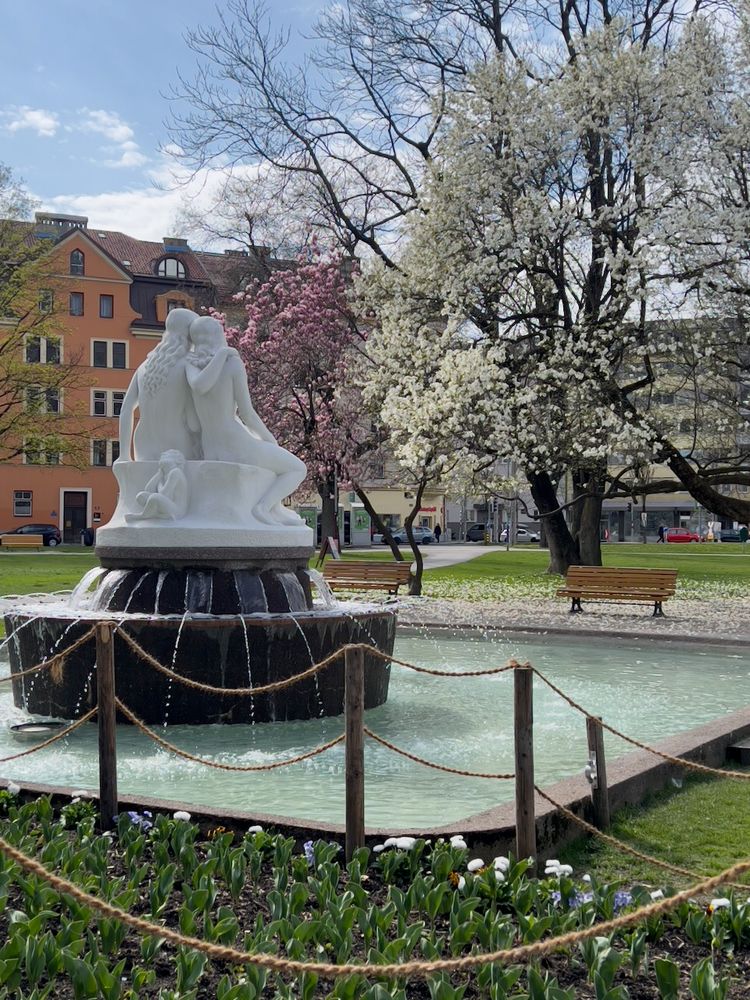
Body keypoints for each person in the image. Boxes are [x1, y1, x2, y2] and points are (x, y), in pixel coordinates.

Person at [186, 316, 306, 525]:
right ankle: (263, 508)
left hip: (211, 447)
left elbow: (198, 392)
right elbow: (247, 414)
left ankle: (275, 510)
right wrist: (270, 440)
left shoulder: (190, 365)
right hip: (237, 444)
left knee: (271, 466)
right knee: (297, 468)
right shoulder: (231, 363)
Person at [118, 308, 201, 461]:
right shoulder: (189, 364)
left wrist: (123, 455)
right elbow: (194, 423)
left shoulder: (145, 366)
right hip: (178, 442)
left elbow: (126, 409)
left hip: (143, 443)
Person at [125, 450, 189, 522]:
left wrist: (160, 483)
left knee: (154, 497)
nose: (162, 460)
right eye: (162, 457)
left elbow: (164, 494)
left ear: (175, 460)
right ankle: (160, 515)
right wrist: (159, 475)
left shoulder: (176, 472)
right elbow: (148, 489)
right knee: (141, 496)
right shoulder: (164, 474)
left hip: (177, 511)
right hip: (167, 505)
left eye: (166, 457)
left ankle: (143, 515)